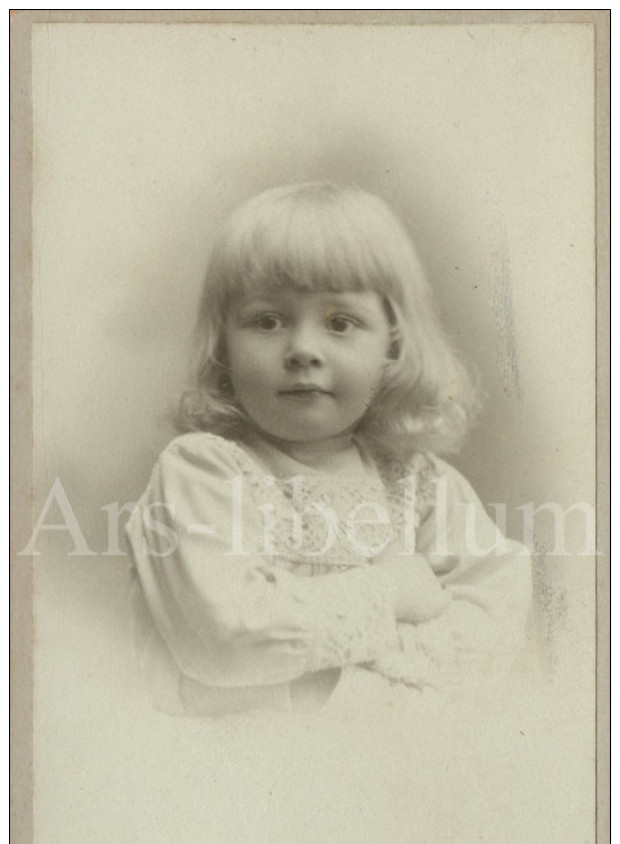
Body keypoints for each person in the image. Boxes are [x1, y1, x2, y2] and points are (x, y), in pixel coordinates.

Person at [124, 183, 532, 716]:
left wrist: (322, 688)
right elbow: (227, 638)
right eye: (267, 321)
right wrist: (392, 591)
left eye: (340, 323)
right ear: (223, 343)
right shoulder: (204, 472)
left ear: (393, 344)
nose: (302, 350)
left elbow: (489, 635)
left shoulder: (420, 486)